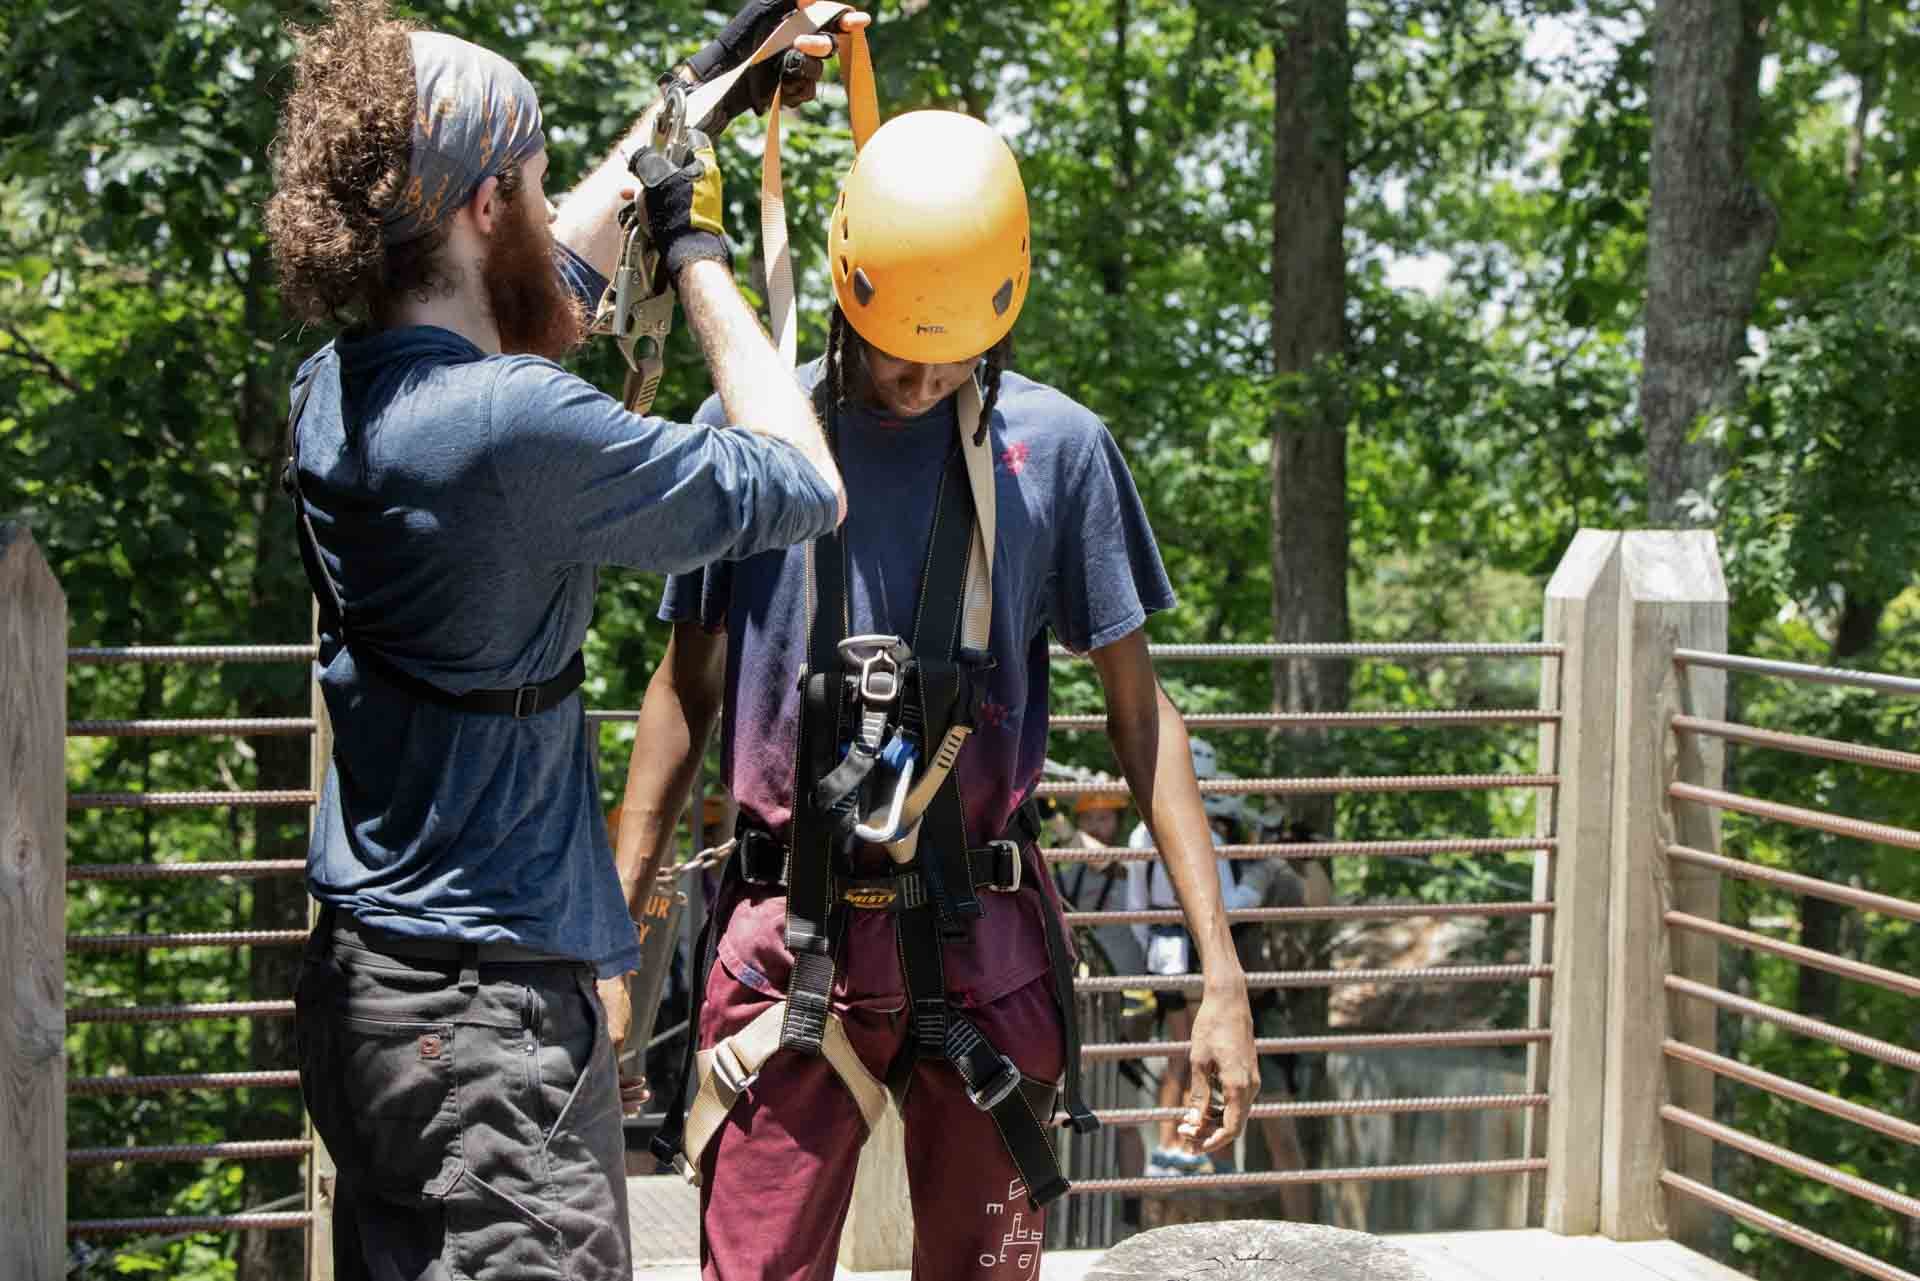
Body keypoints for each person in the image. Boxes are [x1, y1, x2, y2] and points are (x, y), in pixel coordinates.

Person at [266, 1, 865, 1276]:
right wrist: (697, 242)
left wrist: (701, 94)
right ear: (484, 206)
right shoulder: (511, 428)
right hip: (483, 1022)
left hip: (372, 992)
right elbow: (801, 478)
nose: (549, 209)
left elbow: (549, 281)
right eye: (532, 188)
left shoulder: (338, 391)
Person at [612, 110, 1256, 1281]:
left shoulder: (1057, 451)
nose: (920, 383)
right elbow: (682, 692)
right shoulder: (750, 435)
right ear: (850, 289)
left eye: (952, 357)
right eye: (898, 352)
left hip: (985, 943)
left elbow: (1143, 720)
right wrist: (622, 943)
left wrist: (1219, 976)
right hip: (788, 943)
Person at [1124, 741, 1262, 1176]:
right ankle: (1192, 1148)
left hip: (1163, 951)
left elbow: (1134, 909)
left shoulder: (1138, 835)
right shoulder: (1209, 837)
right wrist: (1257, 884)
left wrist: (1155, 943)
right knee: (1201, 1053)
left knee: (1178, 1053)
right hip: (1195, 951)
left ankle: (1171, 1145)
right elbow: (1227, 906)